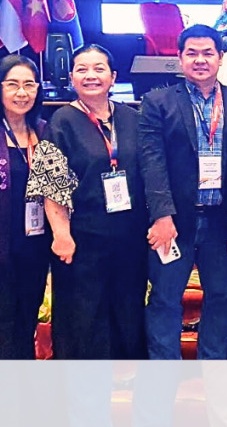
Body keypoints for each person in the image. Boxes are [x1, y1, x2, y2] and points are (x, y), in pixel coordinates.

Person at [138, 25, 227, 361]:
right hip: (175, 221)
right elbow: (152, 162)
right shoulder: (157, 102)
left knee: (221, 294)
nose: (200, 60)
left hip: (222, 221)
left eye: (208, 53)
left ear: (220, 58)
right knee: (165, 296)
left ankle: (212, 364)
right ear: (179, 58)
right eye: (192, 53)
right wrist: (161, 215)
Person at [27, 44, 148, 359]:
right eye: (82, 69)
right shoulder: (60, 121)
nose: (91, 75)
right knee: (84, 315)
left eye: (99, 68)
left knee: (127, 309)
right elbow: (50, 185)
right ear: (72, 77)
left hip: (129, 236)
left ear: (113, 76)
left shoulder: (133, 118)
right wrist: (61, 235)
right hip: (81, 237)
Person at [0, 55, 49, 359]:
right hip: (2, 244)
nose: (22, 93)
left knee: (26, 318)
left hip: (34, 243)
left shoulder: (44, 132)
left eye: (29, 85)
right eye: (13, 85)